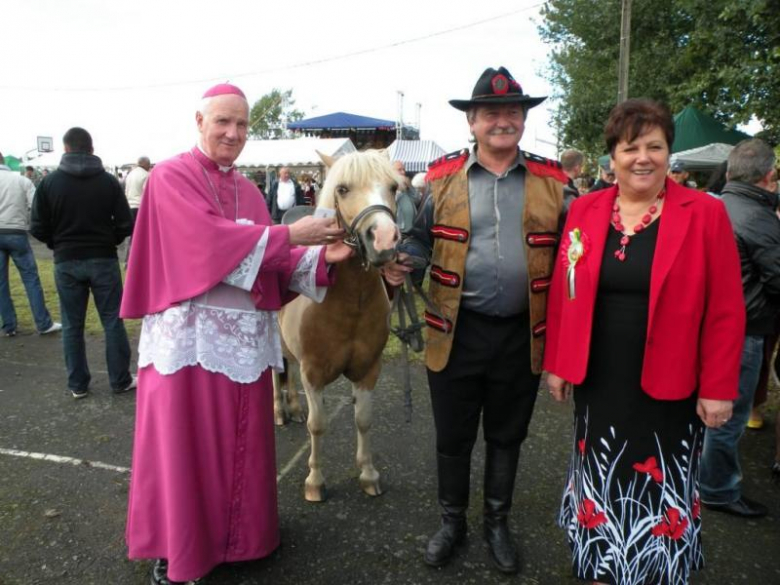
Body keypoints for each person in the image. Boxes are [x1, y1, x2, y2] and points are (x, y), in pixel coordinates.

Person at [120, 83, 350, 585]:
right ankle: (178, 548)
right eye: (223, 121)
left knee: (239, 440)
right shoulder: (169, 177)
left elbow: (266, 262)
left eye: (242, 124)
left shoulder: (247, 189)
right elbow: (202, 245)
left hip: (242, 340)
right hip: (190, 342)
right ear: (199, 122)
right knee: (188, 447)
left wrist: (321, 259)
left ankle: (242, 539)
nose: (233, 132)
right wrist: (291, 233)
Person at [544, 99, 745, 585]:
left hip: (670, 383)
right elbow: (562, 291)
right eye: (630, 147)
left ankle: (658, 568)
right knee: (601, 472)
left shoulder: (704, 213)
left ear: (669, 153)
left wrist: (718, 387)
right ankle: (600, 562)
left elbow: (725, 308)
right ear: (611, 156)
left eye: (654, 146)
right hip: (599, 379)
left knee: (659, 481)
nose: (642, 157)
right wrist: (558, 362)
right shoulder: (586, 210)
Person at [384, 66, 567, 575]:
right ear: (472, 121)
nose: (502, 121)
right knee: (453, 436)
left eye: (512, 112)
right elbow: (419, 237)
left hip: (522, 335)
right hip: (455, 331)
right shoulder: (440, 179)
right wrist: (408, 258)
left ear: (524, 120)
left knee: (508, 435)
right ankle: (452, 522)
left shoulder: (554, 183)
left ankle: (497, 522)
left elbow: (579, 255)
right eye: (491, 113)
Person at [699, 138, 780, 519]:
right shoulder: (758, 218)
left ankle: (700, 479)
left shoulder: (713, 207)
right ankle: (716, 488)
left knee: (709, 410)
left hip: (708, 325)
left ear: (729, 173)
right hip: (743, 331)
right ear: (770, 177)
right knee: (727, 416)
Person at [30, 128, 135, 398]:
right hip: (103, 258)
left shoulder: (49, 183)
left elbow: (38, 226)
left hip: (66, 260)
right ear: (91, 148)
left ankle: (78, 385)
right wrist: (108, 240)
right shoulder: (109, 182)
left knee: (72, 323)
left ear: (65, 149)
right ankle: (120, 379)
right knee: (112, 320)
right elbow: (125, 223)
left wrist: (58, 243)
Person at [0, 153, 61, 337]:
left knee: (1, 283)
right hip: (17, 232)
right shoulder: (21, 181)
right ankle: (43, 323)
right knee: (30, 279)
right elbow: (36, 206)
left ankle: (9, 325)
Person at [125, 156, 151, 225]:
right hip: (140, 207)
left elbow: (126, 191)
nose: (149, 167)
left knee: (133, 232)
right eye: (149, 164)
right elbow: (148, 194)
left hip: (129, 207)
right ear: (145, 164)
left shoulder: (130, 174)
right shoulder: (147, 175)